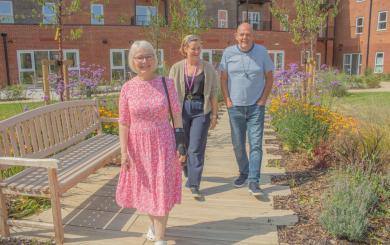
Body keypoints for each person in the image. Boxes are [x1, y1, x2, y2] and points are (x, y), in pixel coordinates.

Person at [116, 40, 186, 245]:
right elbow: (123, 122)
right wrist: (123, 153)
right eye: (139, 57)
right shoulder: (127, 88)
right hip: (137, 146)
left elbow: (177, 115)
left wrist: (180, 143)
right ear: (132, 61)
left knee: (161, 188)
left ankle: (160, 239)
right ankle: (154, 225)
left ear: (155, 59)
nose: (144, 61)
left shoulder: (167, 83)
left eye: (149, 56)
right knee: (147, 189)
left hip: (163, 142)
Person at [219, 23, 274, 196]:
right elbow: (223, 78)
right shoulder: (228, 53)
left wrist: (263, 100)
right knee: (238, 145)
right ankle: (244, 172)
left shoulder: (262, 52)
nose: (245, 38)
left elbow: (270, 77)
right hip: (235, 107)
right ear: (236, 36)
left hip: (255, 107)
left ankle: (253, 181)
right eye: (242, 34)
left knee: (256, 144)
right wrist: (227, 100)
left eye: (248, 34)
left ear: (253, 36)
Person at [169, 34, 219, 198]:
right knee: (183, 146)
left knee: (196, 148)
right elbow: (170, 94)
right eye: (193, 48)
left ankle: (194, 183)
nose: (196, 51)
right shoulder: (176, 68)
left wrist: (214, 115)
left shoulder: (208, 68)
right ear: (185, 49)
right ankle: (187, 169)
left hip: (200, 109)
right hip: (181, 110)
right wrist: (169, 115)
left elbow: (213, 93)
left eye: (199, 48)